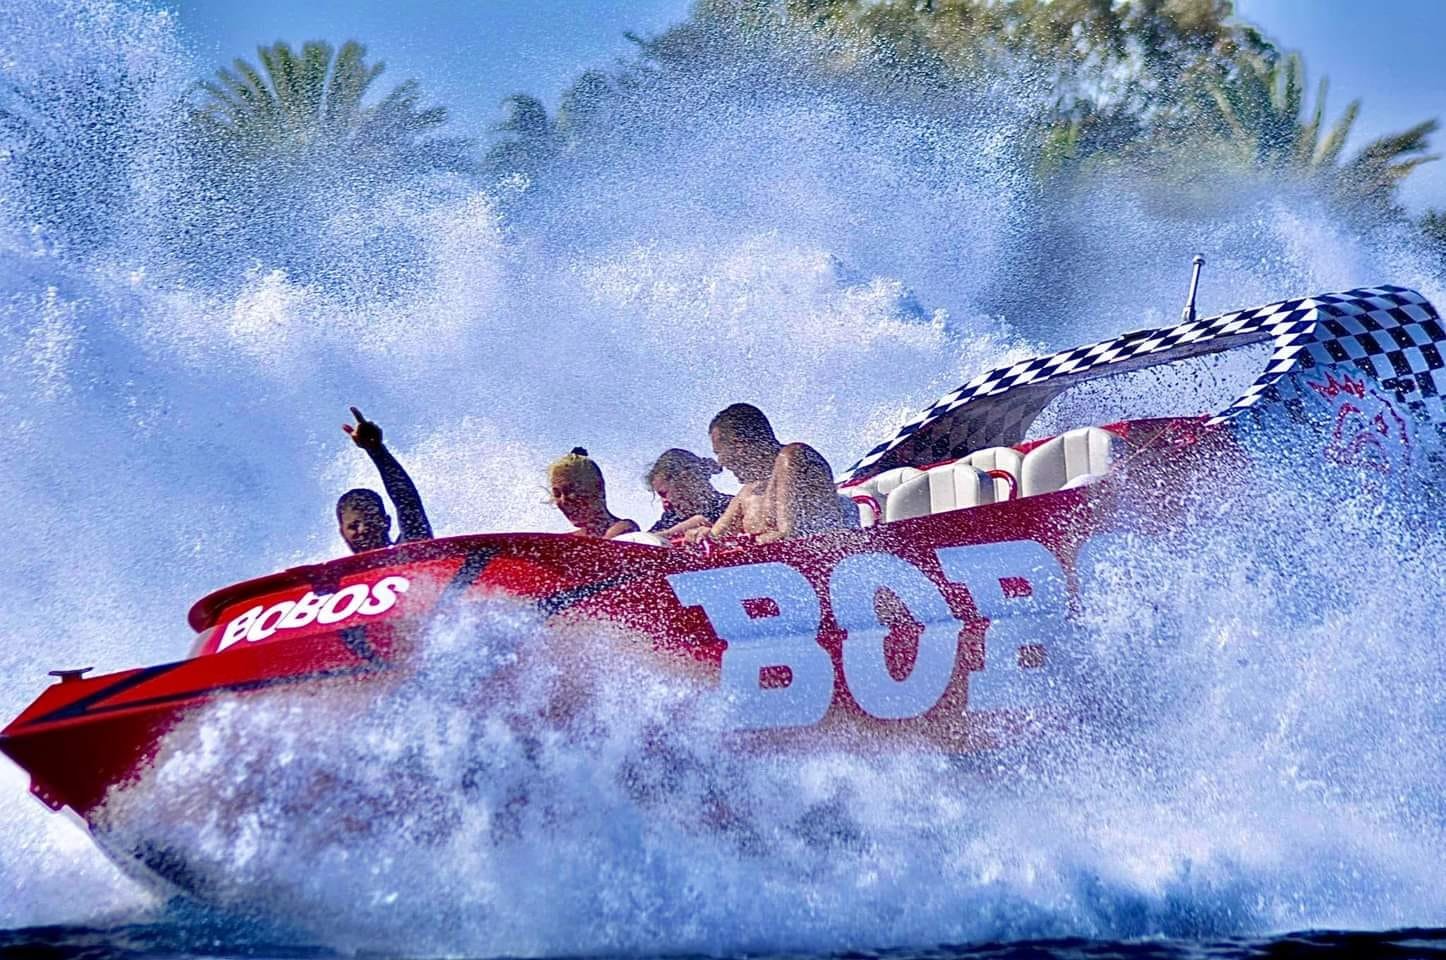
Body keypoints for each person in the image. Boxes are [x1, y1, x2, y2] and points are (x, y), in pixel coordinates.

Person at [688, 403, 842, 545]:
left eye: (719, 452)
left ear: (740, 444)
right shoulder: (748, 492)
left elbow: (790, 536)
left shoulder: (794, 456)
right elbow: (715, 539)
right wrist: (702, 535)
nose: (721, 463)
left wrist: (747, 542)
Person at [336, 407, 433, 554]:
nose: (362, 530)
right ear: (343, 533)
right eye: (353, 526)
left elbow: (407, 502)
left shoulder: (412, 548)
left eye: (370, 521)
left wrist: (377, 451)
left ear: (386, 523)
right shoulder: (335, 570)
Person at [548, 447, 639, 539]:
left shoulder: (623, 528)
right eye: (557, 494)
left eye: (571, 491)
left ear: (598, 489)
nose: (563, 500)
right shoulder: (564, 541)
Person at [644, 448, 733, 539]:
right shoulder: (670, 518)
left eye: (664, 494)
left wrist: (665, 535)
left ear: (686, 479)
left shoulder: (730, 506)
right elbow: (642, 540)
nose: (665, 502)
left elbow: (705, 521)